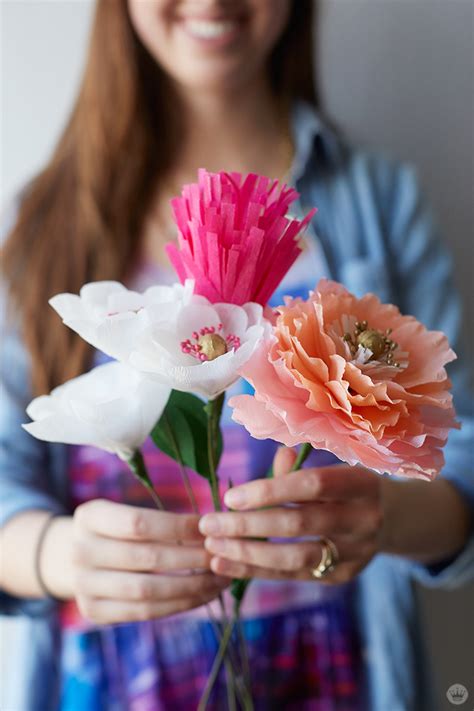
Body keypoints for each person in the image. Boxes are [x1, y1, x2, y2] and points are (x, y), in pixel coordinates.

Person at [1, 1, 473, 709]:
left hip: (335, 682)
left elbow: (461, 455)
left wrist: (385, 520)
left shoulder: (379, 200)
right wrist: (60, 556)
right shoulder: (45, 223)